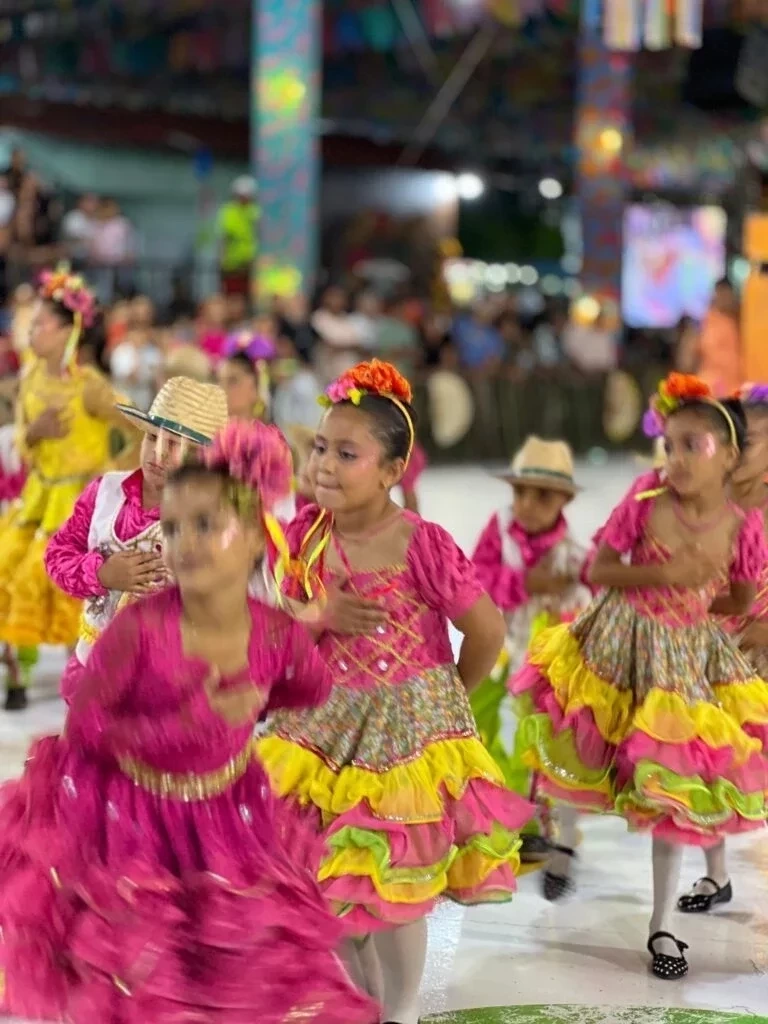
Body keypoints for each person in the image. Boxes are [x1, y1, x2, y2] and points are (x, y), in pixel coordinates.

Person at [0, 417, 378, 1023]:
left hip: (226, 811)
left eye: (206, 525)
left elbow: (310, 684)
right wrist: (181, 724)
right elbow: (88, 723)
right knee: (145, 961)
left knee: (229, 952)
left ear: (254, 539)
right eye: (173, 528)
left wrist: (254, 701)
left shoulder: (274, 631)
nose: (186, 543)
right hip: (131, 817)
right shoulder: (141, 627)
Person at [258, 359, 533, 1024]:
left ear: (392, 471)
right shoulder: (303, 537)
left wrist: (449, 698)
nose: (324, 465)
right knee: (330, 878)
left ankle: (403, 1009)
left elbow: (486, 629)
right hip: (323, 733)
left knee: (393, 887)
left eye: (347, 454)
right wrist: (317, 617)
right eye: (320, 448)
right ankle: (367, 999)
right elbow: (279, 636)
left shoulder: (419, 542)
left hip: (406, 741)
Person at [510, 372, 768, 979]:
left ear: (728, 457)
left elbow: (740, 596)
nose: (675, 459)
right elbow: (600, 570)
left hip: (684, 655)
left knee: (673, 784)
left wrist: (699, 608)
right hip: (620, 642)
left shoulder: (742, 523)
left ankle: (661, 925)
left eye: (693, 446)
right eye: (669, 445)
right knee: (584, 744)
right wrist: (664, 578)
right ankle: (562, 843)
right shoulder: (647, 498)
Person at [0, 268, 141, 709]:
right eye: (32, 323)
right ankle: (18, 674)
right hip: (38, 498)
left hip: (77, 501)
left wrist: (110, 475)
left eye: (41, 324)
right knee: (10, 572)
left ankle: (81, 674)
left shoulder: (89, 387)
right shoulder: (29, 379)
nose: (32, 331)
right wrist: (35, 433)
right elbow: (22, 445)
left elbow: (138, 428)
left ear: (68, 332)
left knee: (59, 583)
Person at [45, 377, 229, 704]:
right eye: (152, 437)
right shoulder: (105, 492)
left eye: (174, 444)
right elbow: (57, 554)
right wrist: (101, 574)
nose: (158, 453)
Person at [470, 437, 592, 859]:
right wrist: (526, 583)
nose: (527, 504)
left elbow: (594, 595)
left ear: (564, 501)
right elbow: (474, 579)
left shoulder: (573, 553)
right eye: (520, 492)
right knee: (484, 723)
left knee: (538, 734)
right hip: (498, 649)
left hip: (543, 661)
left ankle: (533, 824)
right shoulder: (500, 530)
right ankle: (486, 814)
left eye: (542, 496)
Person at [676, 381, 768, 915]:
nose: (740, 451)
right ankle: (716, 873)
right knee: (708, 762)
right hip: (717, 653)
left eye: (752, 441)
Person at [696, 278, 742, 398]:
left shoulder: (741, 321)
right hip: (712, 384)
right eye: (720, 294)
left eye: (726, 294)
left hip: (737, 384)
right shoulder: (707, 321)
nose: (723, 299)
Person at [217, 176, 259, 298]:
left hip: (250, 265)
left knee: (249, 297)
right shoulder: (229, 212)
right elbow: (224, 238)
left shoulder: (255, 211)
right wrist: (222, 260)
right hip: (232, 265)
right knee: (232, 297)